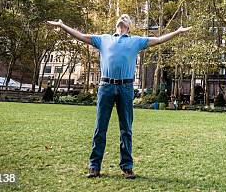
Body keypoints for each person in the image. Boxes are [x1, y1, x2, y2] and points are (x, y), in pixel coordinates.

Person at [47, 14, 191, 179]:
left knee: (126, 129)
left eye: (127, 17)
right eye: (121, 16)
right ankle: (94, 167)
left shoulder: (135, 41)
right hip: (106, 87)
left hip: (126, 88)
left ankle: (127, 167)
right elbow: (81, 36)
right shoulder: (103, 39)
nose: (123, 17)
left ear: (129, 25)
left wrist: (177, 31)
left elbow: (158, 40)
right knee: (100, 128)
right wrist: (62, 25)